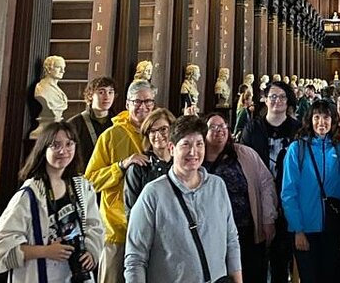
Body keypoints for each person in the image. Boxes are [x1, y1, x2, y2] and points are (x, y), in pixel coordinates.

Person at [124, 115, 242, 282]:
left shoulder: (217, 186)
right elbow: (135, 259)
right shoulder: (153, 194)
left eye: (199, 144)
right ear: (171, 148)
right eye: (185, 144)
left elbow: (231, 240)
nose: (193, 152)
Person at [0, 121, 104, 282]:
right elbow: (3, 245)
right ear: (43, 149)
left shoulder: (82, 187)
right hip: (38, 274)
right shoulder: (29, 194)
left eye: (69, 144)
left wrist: (91, 251)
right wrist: (45, 251)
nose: (64, 151)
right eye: (55, 145)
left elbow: (95, 227)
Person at [85, 80, 154, 283]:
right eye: (137, 102)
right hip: (117, 229)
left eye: (148, 101)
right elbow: (90, 181)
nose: (143, 107)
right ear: (127, 104)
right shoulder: (111, 135)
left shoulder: (159, 134)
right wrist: (121, 166)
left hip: (153, 229)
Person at [203, 113, 278, 283]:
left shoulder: (244, 153)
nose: (219, 131)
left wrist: (268, 218)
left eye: (223, 126)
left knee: (252, 274)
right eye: (213, 127)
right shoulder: (197, 159)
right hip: (213, 236)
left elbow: (266, 183)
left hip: (247, 232)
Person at [281, 100, 340, 283]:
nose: (321, 122)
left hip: (331, 229)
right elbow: (288, 192)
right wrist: (297, 229)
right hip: (305, 228)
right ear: (309, 120)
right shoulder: (298, 149)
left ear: (333, 120)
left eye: (326, 117)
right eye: (316, 117)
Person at [240, 80, 300, 283]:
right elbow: (244, 161)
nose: (277, 101)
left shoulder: (297, 129)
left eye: (282, 96)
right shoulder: (253, 128)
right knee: (256, 256)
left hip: (287, 198)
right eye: (273, 96)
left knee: (281, 257)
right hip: (257, 198)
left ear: (288, 100)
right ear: (265, 99)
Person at [123, 108, 175, 219]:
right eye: (152, 131)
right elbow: (131, 212)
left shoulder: (180, 165)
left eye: (163, 129)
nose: (158, 135)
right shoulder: (138, 168)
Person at [67, 76, 117, 166]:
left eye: (110, 92)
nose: (107, 97)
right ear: (90, 95)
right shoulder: (75, 124)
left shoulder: (118, 122)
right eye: (101, 92)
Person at [33, 55, 69, 132]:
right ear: (49, 69)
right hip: (46, 128)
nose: (62, 71)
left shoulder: (59, 91)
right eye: (59, 67)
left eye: (63, 68)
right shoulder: (42, 88)